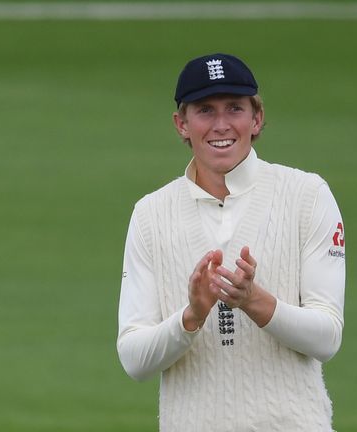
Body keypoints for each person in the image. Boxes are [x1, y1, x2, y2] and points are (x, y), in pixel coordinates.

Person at [116, 53, 345, 431]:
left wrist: (253, 301)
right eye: (205, 110)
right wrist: (191, 318)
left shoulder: (307, 195)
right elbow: (134, 359)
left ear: (256, 118)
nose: (221, 125)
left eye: (235, 108)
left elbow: (327, 338)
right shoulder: (150, 214)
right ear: (181, 124)